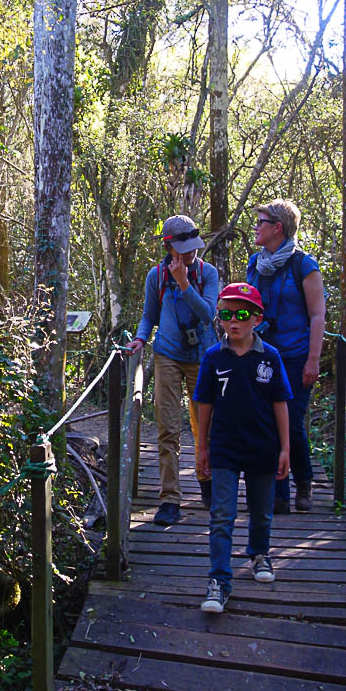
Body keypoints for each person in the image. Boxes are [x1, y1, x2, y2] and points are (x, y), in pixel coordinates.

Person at [194, 283, 291, 614]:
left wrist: (285, 448)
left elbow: (280, 403)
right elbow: (204, 403)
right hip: (224, 447)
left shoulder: (271, 357)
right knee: (222, 514)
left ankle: (260, 553)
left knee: (262, 510)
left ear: (258, 319)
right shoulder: (212, 357)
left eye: (242, 314)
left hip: (262, 445)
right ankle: (219, 580)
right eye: (225, 314)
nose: (233, 321)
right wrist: (201, 447)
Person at [126, 215, 220, 526]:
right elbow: (149, 314)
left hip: (202, 357)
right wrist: (140, 338)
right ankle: (169, 499)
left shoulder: (208, 273)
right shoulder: (156, 276)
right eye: (183, 249)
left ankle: (207, 481)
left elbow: (208, 314)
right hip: (166, 354)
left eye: (193, 248)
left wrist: (184, 283)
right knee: (167, 428)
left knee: (204, 427)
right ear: (169, 247)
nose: (190, 254)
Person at [246, 199, 325, 514]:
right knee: (266, 422)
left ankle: (303, 481)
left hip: (295, 357)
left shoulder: (303, 265)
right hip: (261, 354)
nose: (256, 226)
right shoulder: (256, 263)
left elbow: (318, 315)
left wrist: (313, 360)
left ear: (277, 227)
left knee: (290, 422)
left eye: (261, 221)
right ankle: (278, 494)